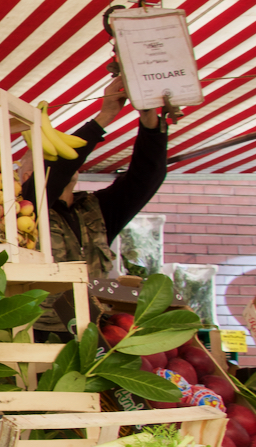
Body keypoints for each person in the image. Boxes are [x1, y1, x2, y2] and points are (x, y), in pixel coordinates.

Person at [21, 75, 168, 337]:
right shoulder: (23, 208)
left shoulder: (96, 208)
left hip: (94, 331)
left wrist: (150, 121)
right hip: (40, 335)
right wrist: (103, 118)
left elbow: (146, 176)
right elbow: (55, 175)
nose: (58, 155)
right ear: (25, 176)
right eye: (46, 154)